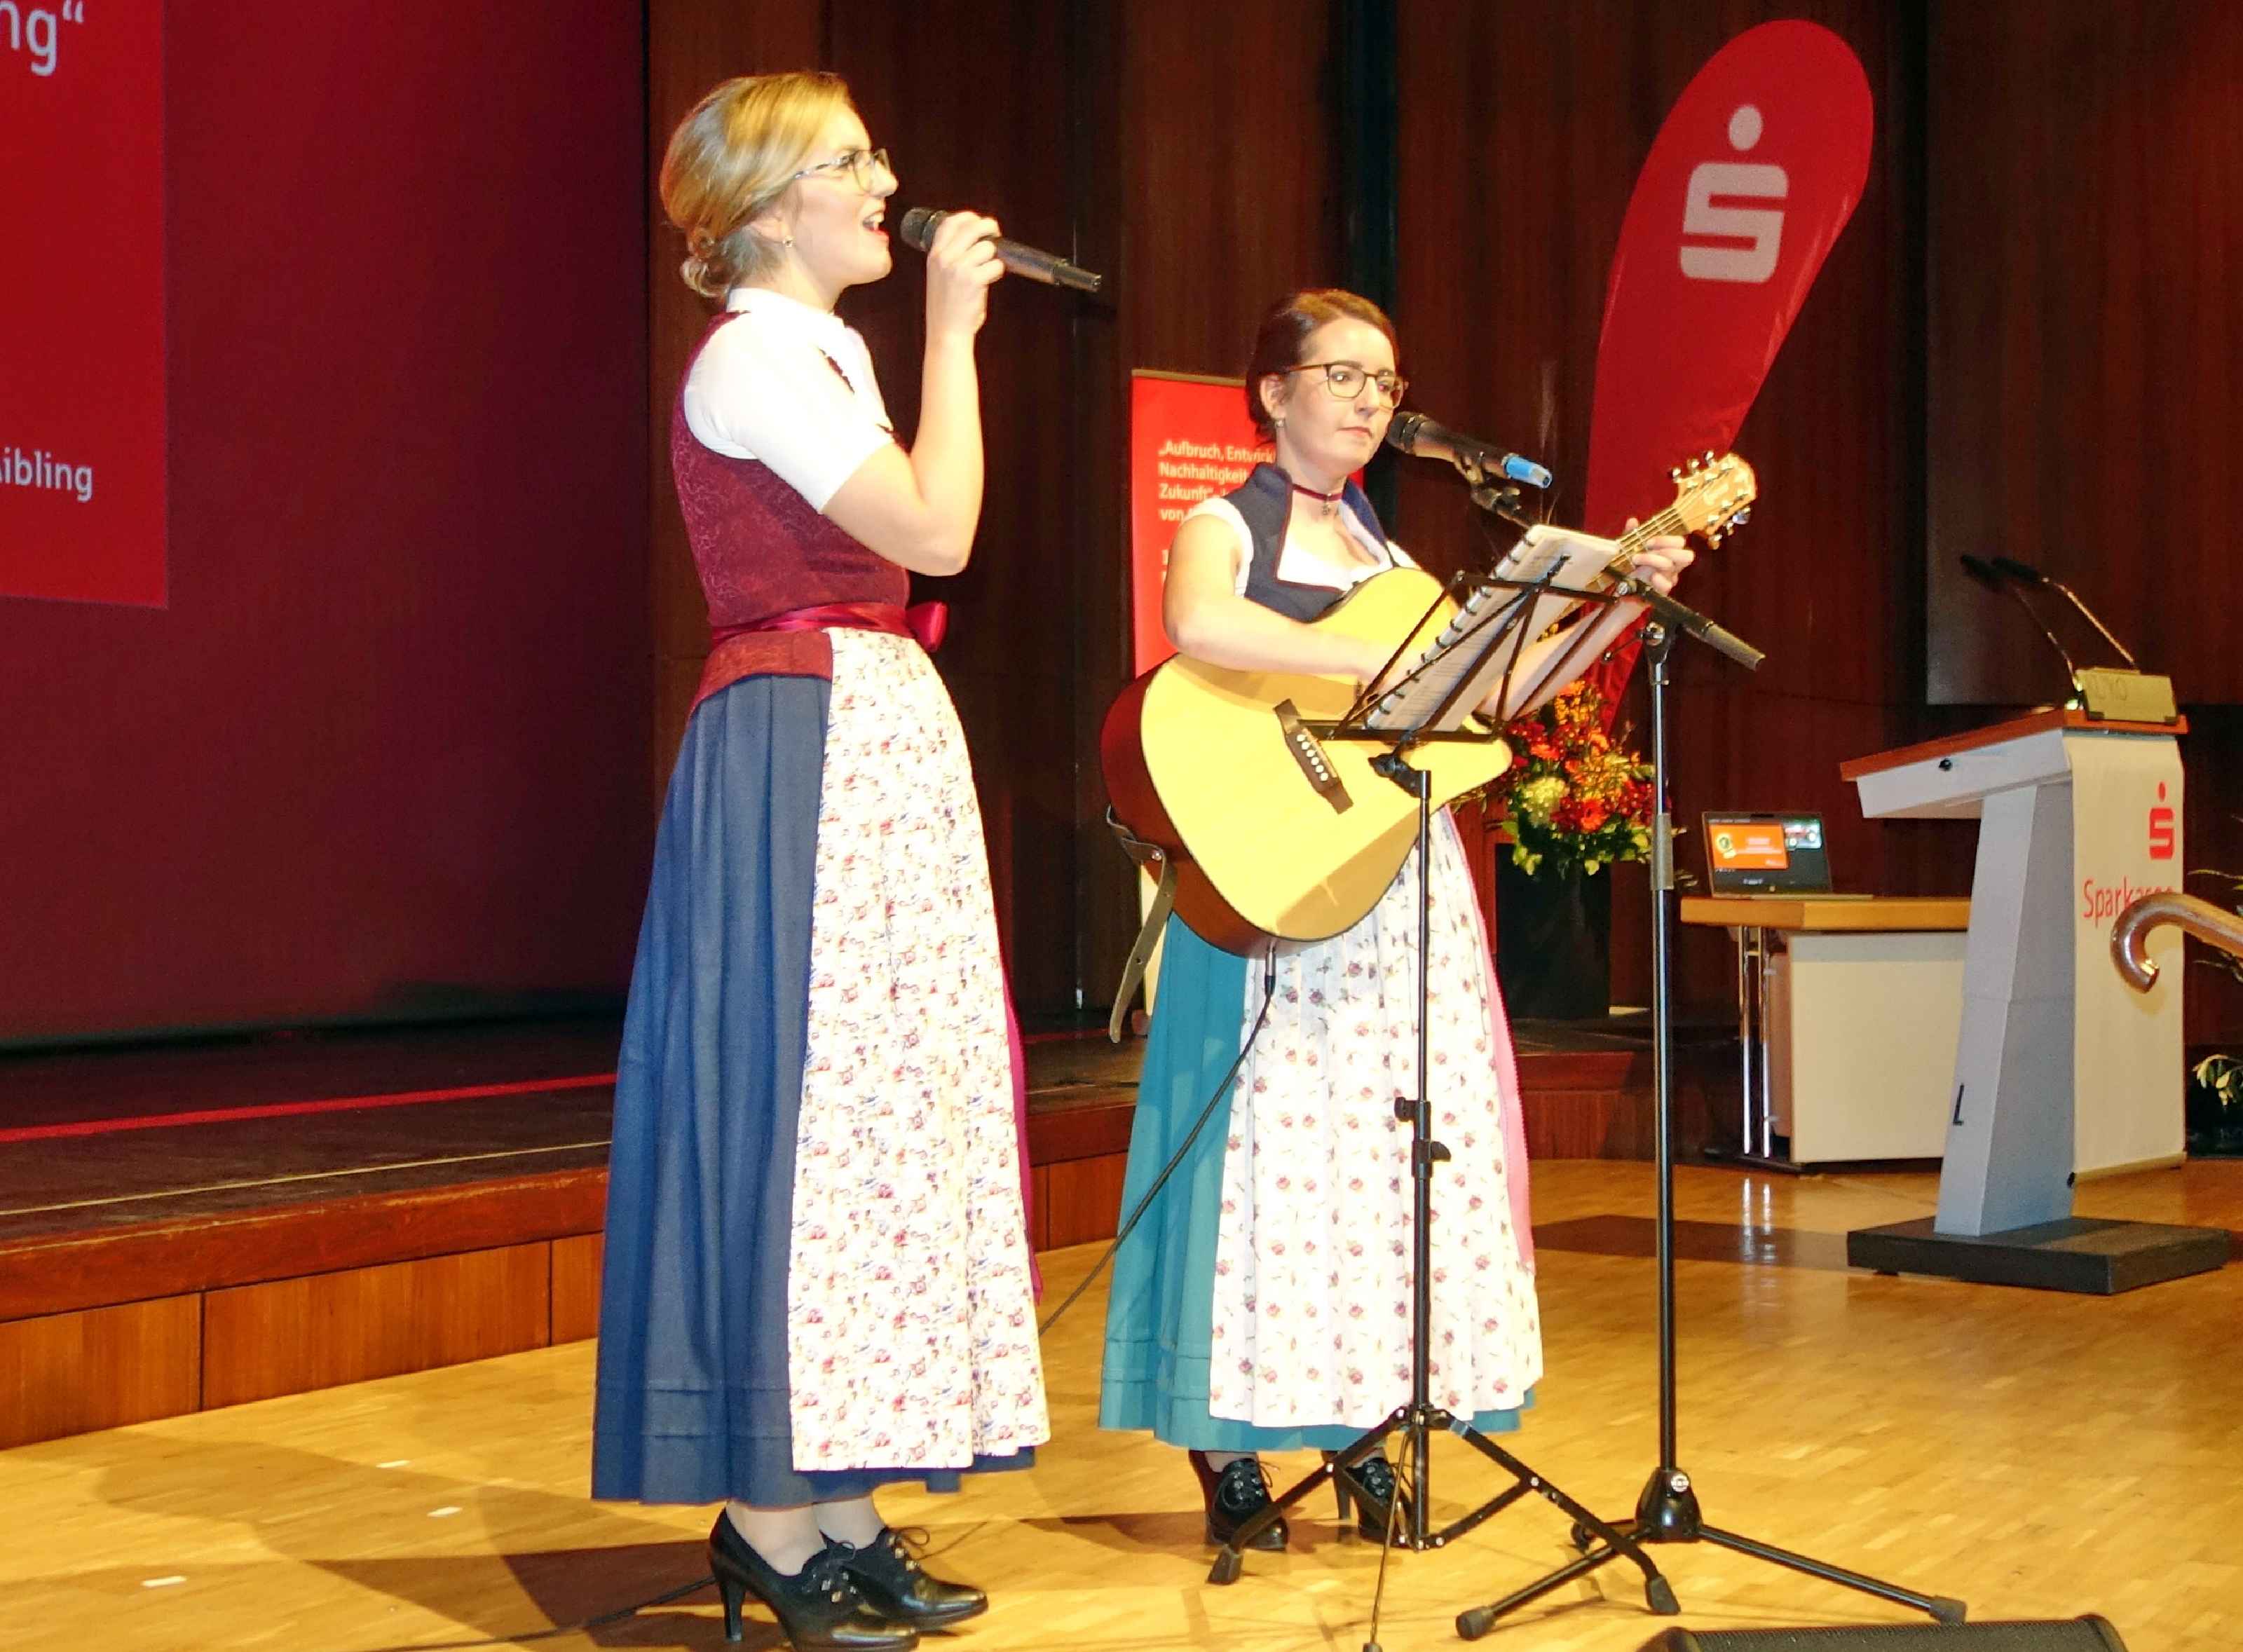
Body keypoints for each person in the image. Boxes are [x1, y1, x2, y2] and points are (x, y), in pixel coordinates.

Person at [1097, 289, 1691, 1549]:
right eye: (1343, 374)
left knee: (1377, 1165)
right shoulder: (1224, 522)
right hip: (1273, 882)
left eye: (1386, 381)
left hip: (1395, 889)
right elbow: (1196, 624)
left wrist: (1618, 600)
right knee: (1261, 1161)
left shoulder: (1398, 565)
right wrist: (1358, 661)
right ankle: (1230, 1438)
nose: (1370, 399)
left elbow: (1497, 689)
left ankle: (1360, 1422)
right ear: (1274, 392)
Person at [592, 71, 1047, 1651]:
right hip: (801, 734)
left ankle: (841, 1501)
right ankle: (770, 1514)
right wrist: (955, 332)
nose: (883, 182)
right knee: (799, 1112)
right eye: (851, 161)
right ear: (773, 206)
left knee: (878, 1127)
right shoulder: (753, 356)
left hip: (872, 724)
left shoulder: (823, 350)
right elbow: (937, 534)